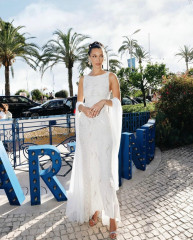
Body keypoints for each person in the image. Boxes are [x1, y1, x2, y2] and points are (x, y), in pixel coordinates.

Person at [66, 41, 122, 239]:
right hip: (87, 129)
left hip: (103, 129)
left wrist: (102, 102)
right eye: (94, 56)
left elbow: (117, 103)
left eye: (101, 55)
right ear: (89, 58)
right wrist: (84, 109)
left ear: (104, 57)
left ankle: (112, 218)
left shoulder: (111, 77)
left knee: (105, 173)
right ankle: (96, 210)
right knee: (90, 171)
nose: (98, 59)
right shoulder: (83, 79)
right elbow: (78, 103)